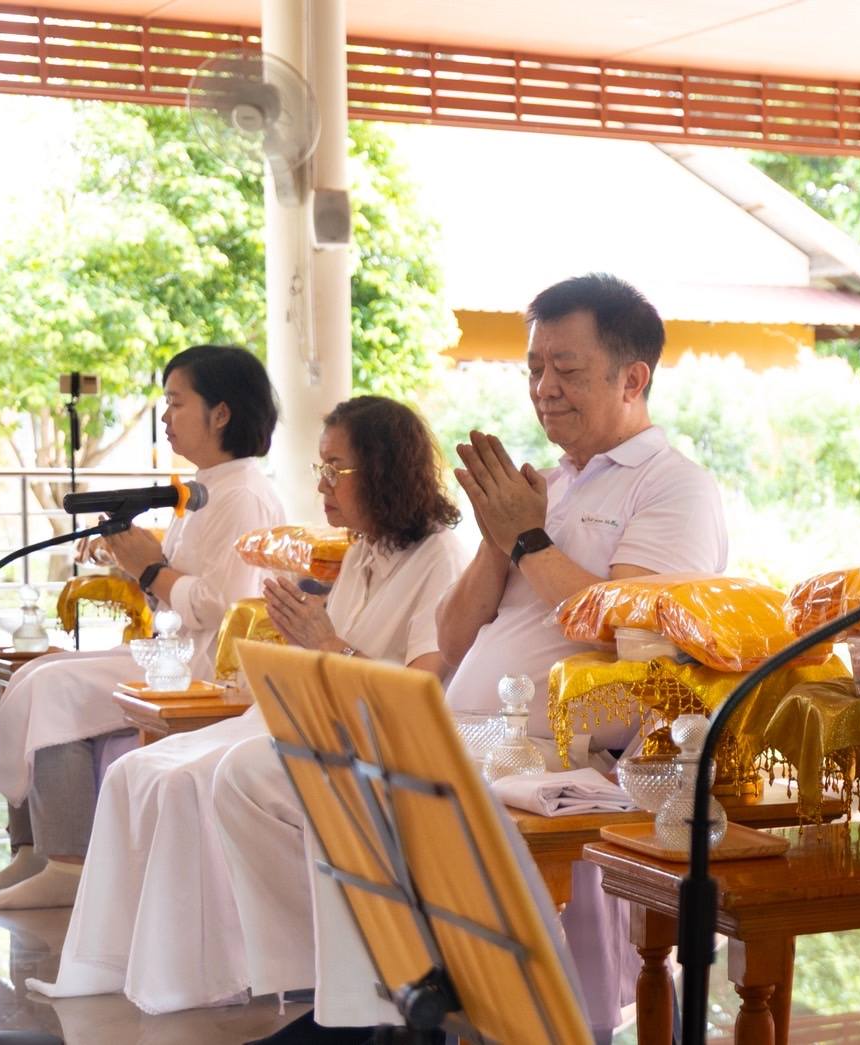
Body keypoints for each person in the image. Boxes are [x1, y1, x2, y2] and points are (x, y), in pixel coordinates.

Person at [214, 272, 728, 1044]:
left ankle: (380, 1019)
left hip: (563, 747)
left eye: (567, 369)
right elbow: (454, 638)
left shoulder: (671, 488)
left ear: (633, 378)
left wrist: (528, 538)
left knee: (365, 792)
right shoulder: (544, 484)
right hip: (466, 726)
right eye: (533, 368)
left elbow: (631, 638)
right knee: (255, 773)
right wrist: (499, 535)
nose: (543, 389)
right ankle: (337, 1000)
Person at [25, 396, 469, 1015]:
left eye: (335, 469)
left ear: (386, 470)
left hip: (365, 737)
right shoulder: (364, 548)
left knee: (189, 785)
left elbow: (423, 689)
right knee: (134, 771)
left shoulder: (440, 556)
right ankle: (118, 960)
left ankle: (205, 974)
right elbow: (328, 653)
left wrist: (325, 643)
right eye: (321, 468)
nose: (322, 485)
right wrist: (301, 642)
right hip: (308, 713)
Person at [0, 345, 285, 910]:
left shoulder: (245, 493)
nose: (165, 417)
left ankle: (69, 864)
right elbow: (180, 585)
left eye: (175, 403)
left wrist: (150, 567)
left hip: (205, 669)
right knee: (35, 673)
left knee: (51, 685)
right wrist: (130, 562)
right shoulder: (205, 487)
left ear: (222, 413)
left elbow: (228, 605)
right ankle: (30, 850)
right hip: (173, 652)